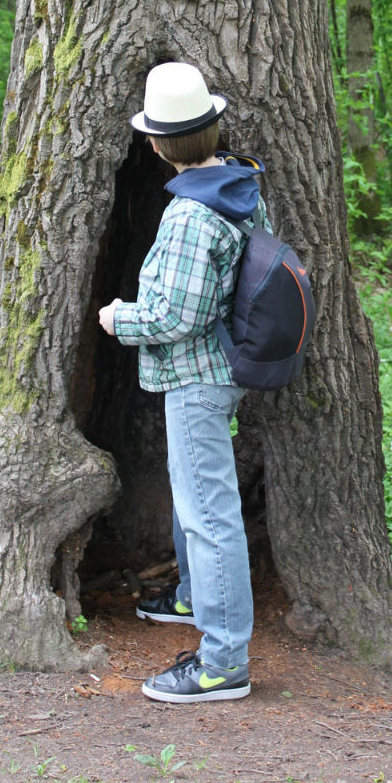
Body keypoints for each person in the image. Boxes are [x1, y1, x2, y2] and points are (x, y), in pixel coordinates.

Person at [98, 61, 269, 704]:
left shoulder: (192, 216)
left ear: (157, 144)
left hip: (199, 377)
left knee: (209, 515)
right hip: (217, 370)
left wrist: (121, 319)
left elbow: (177, 315)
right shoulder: (237, 184)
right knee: (196, 497)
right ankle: (195, 596)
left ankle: (223, 662)